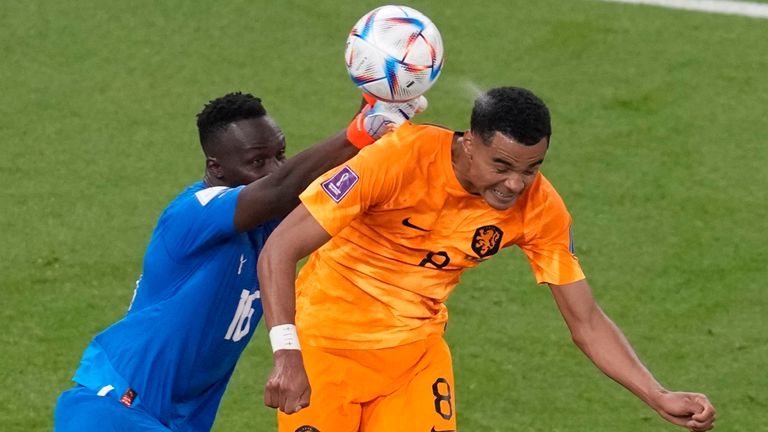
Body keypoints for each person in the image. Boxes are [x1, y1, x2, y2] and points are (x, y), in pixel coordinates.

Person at [257, 86, 717, 431]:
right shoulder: (395, 160)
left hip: (413, 361)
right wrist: (287, 354)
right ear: (468, 143)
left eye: (531, 168)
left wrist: (657, 394)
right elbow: (280, 248)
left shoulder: (541, 208)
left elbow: (587, 322)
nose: (516, 184)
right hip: (324, 351)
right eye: (503, 166)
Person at [53, 91, 425, 431]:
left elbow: (327, 183)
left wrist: (379, 112)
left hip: (176, 418)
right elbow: (281, 189)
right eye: (257, 161)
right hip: (116, 406)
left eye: (280, 155)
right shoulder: (191, 214)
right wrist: (359, 131)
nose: (274, 168)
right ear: (217, 169)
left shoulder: (270, 223)